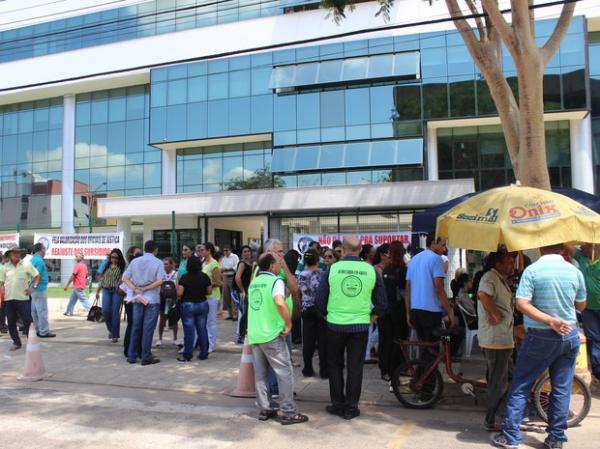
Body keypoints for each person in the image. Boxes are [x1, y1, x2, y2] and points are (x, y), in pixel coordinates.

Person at [492, 243, 587, 449]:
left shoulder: (532, 271)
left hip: (541, 336)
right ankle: (556, 439)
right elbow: (581, 305)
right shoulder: (574, 271)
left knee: (521, 385)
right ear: (562, 250)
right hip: (569, 334)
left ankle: (511, 437)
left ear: (541, 249)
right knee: (561, 390)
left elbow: (522, 303)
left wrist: (549, 321)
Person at [316, 236, 387, 420]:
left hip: (335, 325)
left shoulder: (332, 269)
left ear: (343, 249)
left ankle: (337, 403)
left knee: (335, 365)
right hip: (360, 326)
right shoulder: (370, 270)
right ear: (361, 248)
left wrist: (326, 315)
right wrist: (372, 318)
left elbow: (319, 300)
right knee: (355, 367)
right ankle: (351, 407)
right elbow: (382, 302)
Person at [248, 253, 309, 425]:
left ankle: (265, 408)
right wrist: (288, 323)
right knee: (284, 372)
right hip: (271, 334)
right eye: (278, 263)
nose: (280, 266)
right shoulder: (275, 281)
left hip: (255, 334)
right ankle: (289, 412)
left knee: (260, 374)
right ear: (272, 266)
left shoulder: (254, 282)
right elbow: (279, 303)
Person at [477, 250, 516, 432]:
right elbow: (483, 295)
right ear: (498, 264)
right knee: (497, 381)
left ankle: (501, 415)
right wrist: (496, 313)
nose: (512, 265)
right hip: (495, 339)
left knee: (503, 378)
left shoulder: (499, 278)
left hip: (502, 338)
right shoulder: (490, 277)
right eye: (508, 262)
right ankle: (490, 420)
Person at [405, 233, 456, 354]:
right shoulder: (436, 259)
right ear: (433, 243)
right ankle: (426, 373)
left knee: (424, 349)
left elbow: (408, 289)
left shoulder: (414, 260)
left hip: (415, 310)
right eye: (442, 245)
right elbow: (439, 287)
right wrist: (449, 310)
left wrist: (408, 313)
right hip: (431, 312)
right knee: (432, 351)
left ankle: (423, 372)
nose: (444, 249)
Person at [122, 240, 165, 366]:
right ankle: (145, 356)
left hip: (137, 297)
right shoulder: (158, 262)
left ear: (144, 249)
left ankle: (131, 355)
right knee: (148, 328)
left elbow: (125, 278)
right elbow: (160, 281)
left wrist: (134, 288)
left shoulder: (135, 261)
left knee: (136, 326)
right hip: (152, 298)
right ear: (156, 249)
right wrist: (146, 288)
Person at [375, 241, 408, 382]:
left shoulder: (386, 270)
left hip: (384, 311)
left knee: (384, 341)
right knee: (398, 341)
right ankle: (395, 370)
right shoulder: (404, 270)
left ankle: (385, 370)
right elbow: (404, 293)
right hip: (398, 312)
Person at [571, 243, 600, 392]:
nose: (581, 247)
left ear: (595, 247)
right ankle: (598, 375)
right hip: (588, 309)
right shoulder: (582, 257)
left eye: (586, 245)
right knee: (595, 342)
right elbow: (567, 244)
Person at [0, 244, 40, 351]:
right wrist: (1, 298)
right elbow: (2, 284)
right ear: (9, 255)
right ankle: (16, 342)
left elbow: (37, 276)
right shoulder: (5, 268)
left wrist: (33, 288)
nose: (17, 254)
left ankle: (32, 342)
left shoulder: (26, 265)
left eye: (18, 252)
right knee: (11, 322)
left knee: (28, 321)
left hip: (23, 299)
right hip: (9, 300)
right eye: (14, 253)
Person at [297, 248, 328, 378]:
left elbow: (299, 292)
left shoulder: (301, 274)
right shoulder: (322, 274)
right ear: (317, 260)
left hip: (306, 308)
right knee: (323, 341)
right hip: (321, 309)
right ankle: (324, 370)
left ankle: (307, 368)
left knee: (308, 341)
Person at [177, 255, 212, 361]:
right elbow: (209, 291)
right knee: (202, 329)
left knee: (189, 331)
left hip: (188, 305)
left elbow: (180, 293)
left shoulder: (185, 277)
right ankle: (204, 353)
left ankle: (187, 354)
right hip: (202, 303)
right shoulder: (205, 276)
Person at [95, 248, 126, 343]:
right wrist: (97, 291)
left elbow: (124, 280)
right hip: (106, 290)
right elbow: (102, 279)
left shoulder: (122, 267)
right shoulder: (106, 266)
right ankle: (111, 330)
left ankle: (115, 335)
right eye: (112, 257)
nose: (114, 259)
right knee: (105, 311)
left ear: (119, 258)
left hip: (117, 291)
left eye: (116, 258)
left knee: (115, 312)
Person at [199, 242, 223, 353]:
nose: (201, 252)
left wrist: (205, 285)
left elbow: (218, 282)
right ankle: (204, 342)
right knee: (203, 321)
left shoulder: (215, 264)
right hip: (204, 295)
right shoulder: (203, 263)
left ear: (209, 250)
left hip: (212, 296)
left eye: (203, 250)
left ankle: (211, 344)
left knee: (211, 321)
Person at [29, 242, 56, 338]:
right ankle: (44, 331)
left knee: (34, 311)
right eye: (44, 249)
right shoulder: (39, 261)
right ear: (41, 250)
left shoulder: (33, 259)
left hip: (33, 289)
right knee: (42, 311)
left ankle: (37, 329)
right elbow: (37, 276)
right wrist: (35, 287)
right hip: (39, 288)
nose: (45, 251)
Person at [123, 246, 142, 357]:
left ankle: (130, 350)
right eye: (138, 254)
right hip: (132, 300)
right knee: (134, 326)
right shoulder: (131, 268)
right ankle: (131, 350)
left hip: (133, 299)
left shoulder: (131, 267)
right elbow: (125, 282)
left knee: (133, 325)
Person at [156, 257, 179, 347]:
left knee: (174, 319)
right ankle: (160, 338)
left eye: (166, 264)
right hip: (162, 299)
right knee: (162, 319)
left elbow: (178, 286)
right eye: (163, 264)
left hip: (172, 299)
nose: (164, 266)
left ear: (171, 264)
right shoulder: (161, 274)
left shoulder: (176, 274)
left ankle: (175, 338)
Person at [232, 245, 253, 344]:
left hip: (246, 291)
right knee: (245, 314)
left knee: (246, 313)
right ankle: (241, 336)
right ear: (241, 253)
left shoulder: (250, 263)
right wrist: (242, 291)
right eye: (244, 251)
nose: (247, 253)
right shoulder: (242, 264)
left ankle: (244, 333)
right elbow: (237, 278)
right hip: (240, 291)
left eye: (248, 251)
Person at [220, 245, 239, 321]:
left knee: (232, 296)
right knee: (226, 296)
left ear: (230, 250)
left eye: (227, 250)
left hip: (232, 276)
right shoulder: (223, 259)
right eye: (224, 250)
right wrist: (226, 269)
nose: (225, 252)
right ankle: (230, 313)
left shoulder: (234, 257)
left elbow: (236, 267)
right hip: (225, 277)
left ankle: (235, 314)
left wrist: (228, 269)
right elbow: (221, 268)